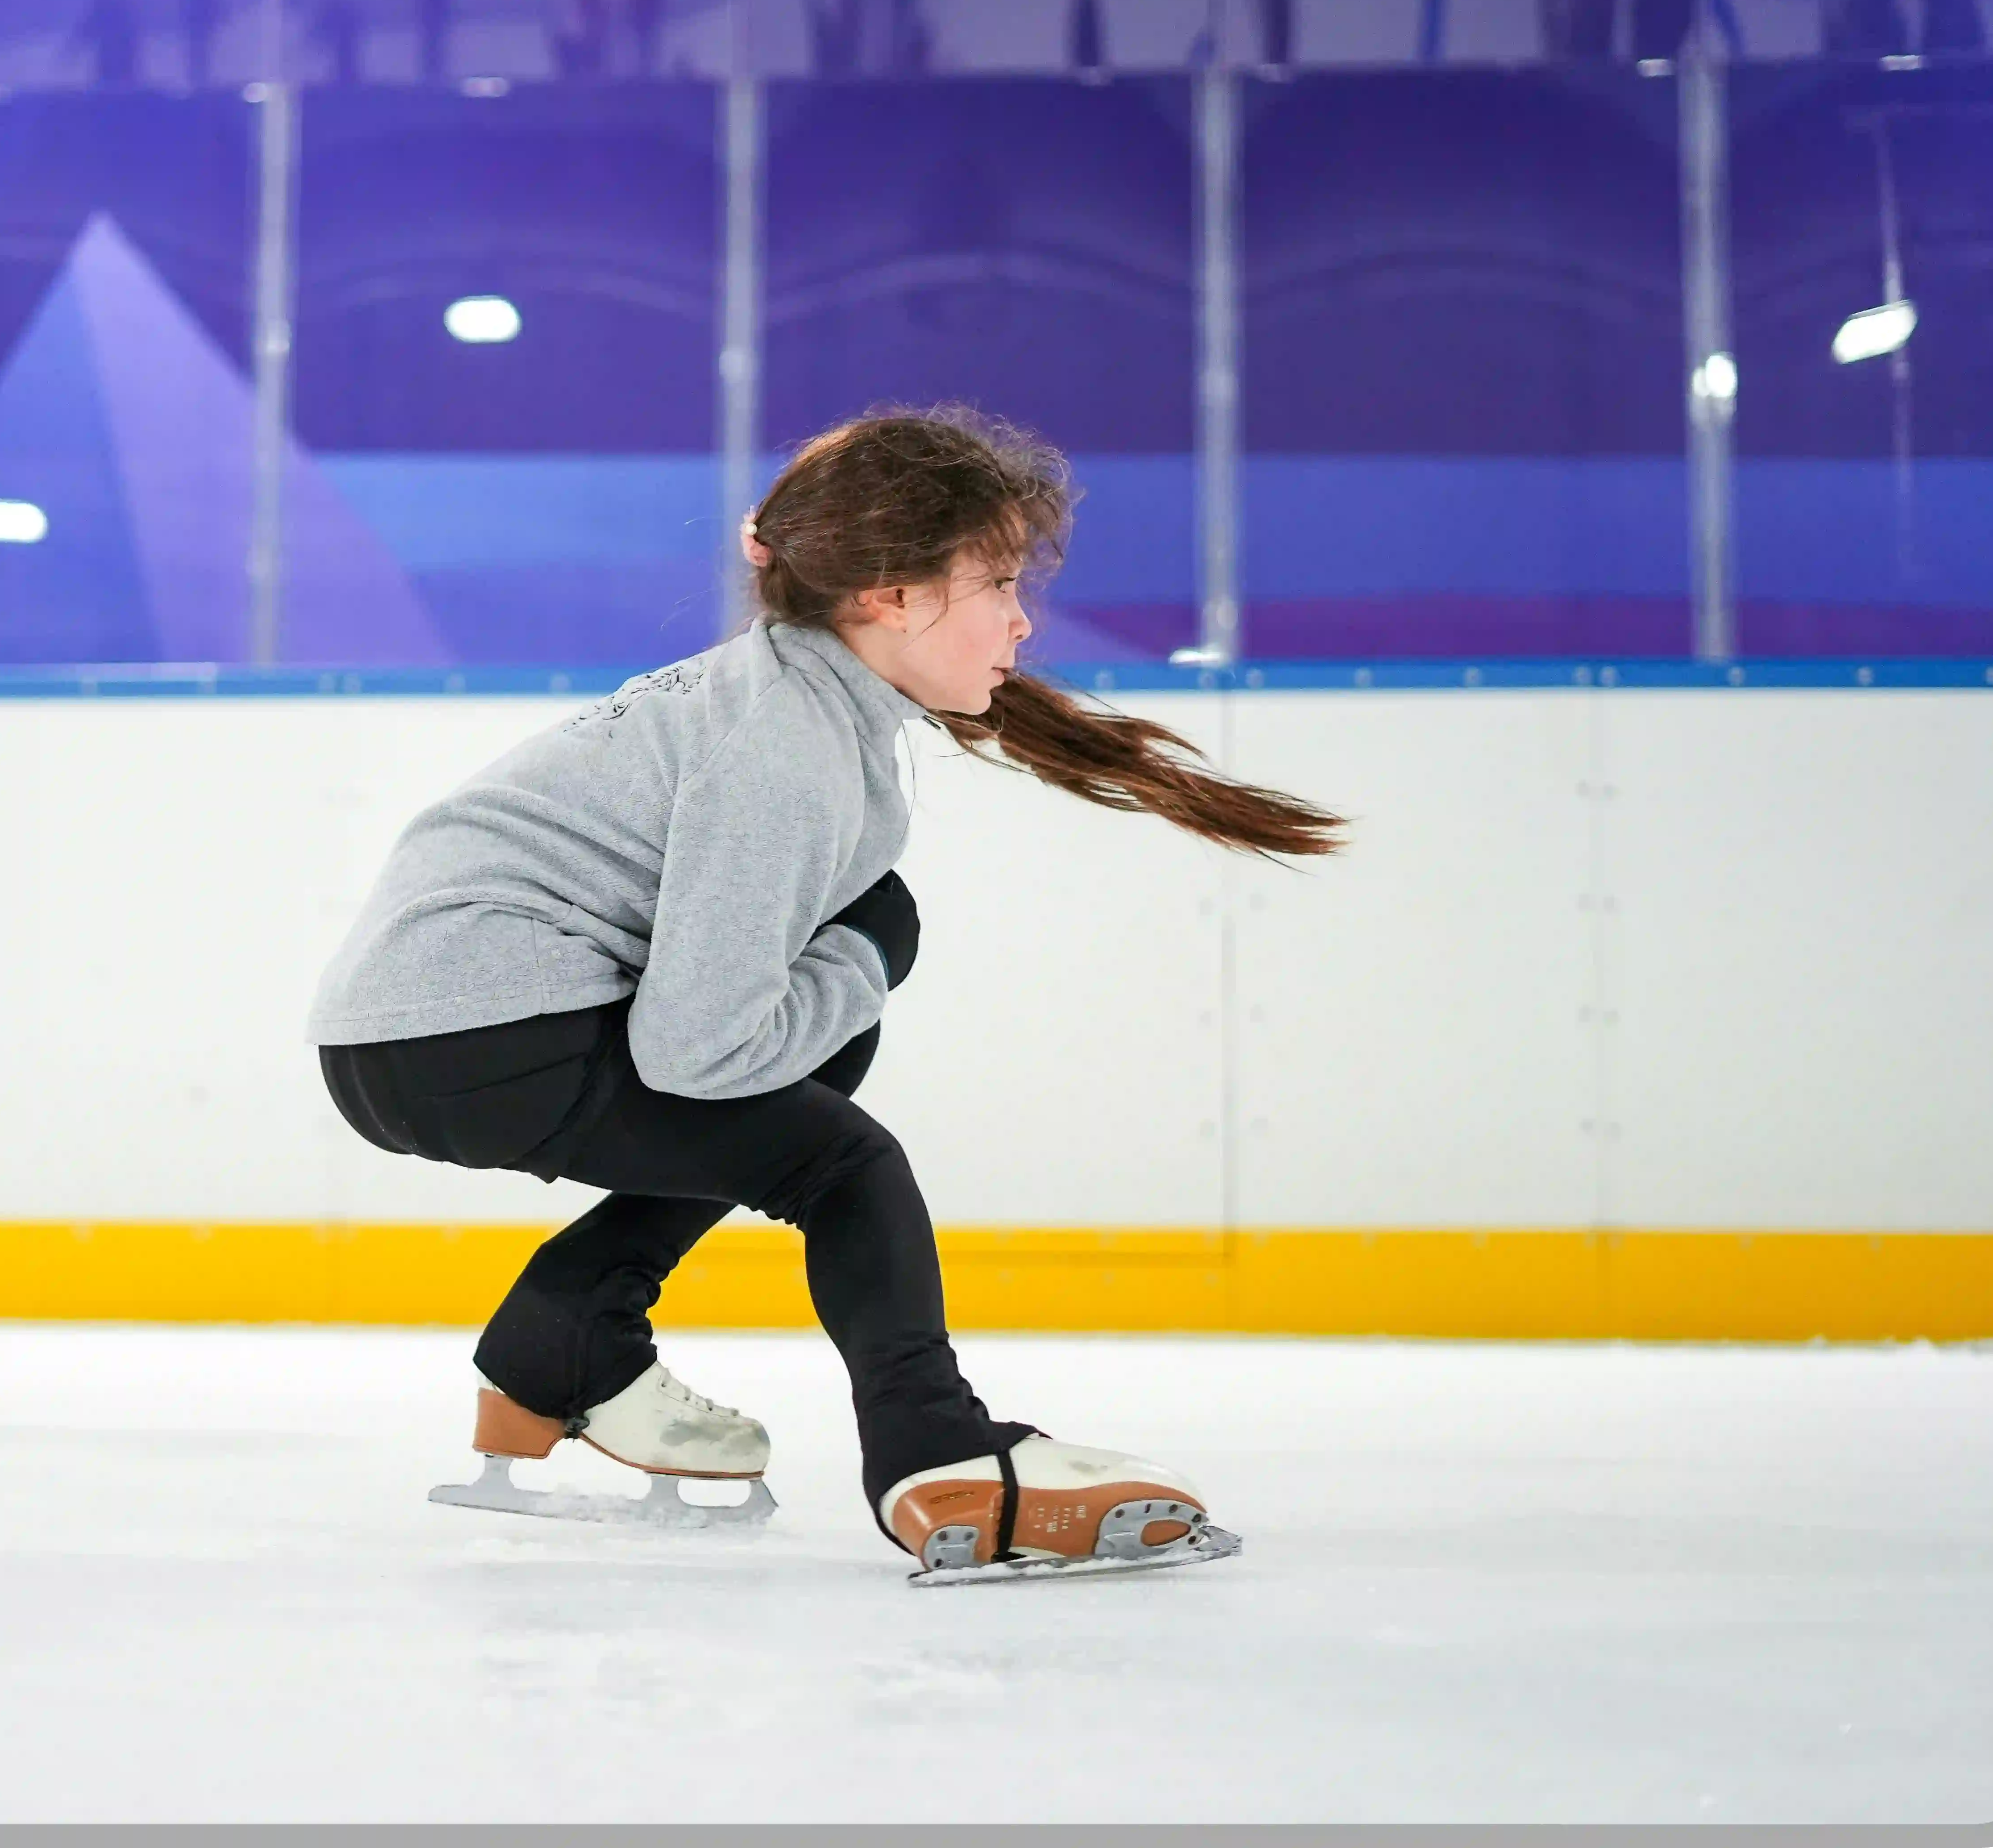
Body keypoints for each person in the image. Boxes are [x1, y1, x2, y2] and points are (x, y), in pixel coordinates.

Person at [310, 406, 1346, 1575]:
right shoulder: (785, 748)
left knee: (813, 1082)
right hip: (478, 1029)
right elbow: (697, 1053)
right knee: (845, 1161)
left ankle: (563, 1341)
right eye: (996, 582)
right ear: (890, 595)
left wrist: (854, 961)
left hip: (430, 1032)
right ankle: (931, 1449)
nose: (1019, 621)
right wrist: (866, 955)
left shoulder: (789, 702)